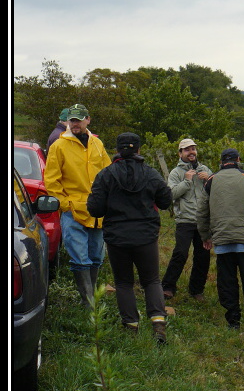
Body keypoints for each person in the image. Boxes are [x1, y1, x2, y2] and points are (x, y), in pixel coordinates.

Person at [87, 132, 172, 344]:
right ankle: (158, 324)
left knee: (124, 283)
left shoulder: (105, 175)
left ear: (116, 150)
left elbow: (95, 209)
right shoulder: (151, 174)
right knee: (151, 280)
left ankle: (130, 326)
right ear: (139, 150)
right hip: (145, 237)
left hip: (117, 239)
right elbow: (165, 201)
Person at [44, 103, 112, 307]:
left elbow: (108, 173)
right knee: (79, 259)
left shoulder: (97, 144)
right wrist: (66, 205)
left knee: (96, 257)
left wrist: (107, 200)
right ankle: (88, 301)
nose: (75, 124)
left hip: (97, 211)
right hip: (73, 212)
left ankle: (90, 301)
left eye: (79, 120)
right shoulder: (59, 146)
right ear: (68, 121)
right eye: (72, 120)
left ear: (87, 120)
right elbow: (52, 181)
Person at [197, 148, 244, 330]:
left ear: (221, 162)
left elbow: (201, 212)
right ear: (238, 160)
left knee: (227, 283)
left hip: (223, 242)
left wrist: (205, 236)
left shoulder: (211, 180)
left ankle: (233, 322)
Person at [161, 138, 212, 301]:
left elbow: (217, 191)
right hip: (185, 221)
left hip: (203, 221)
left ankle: (197, 290)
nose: (191, 152)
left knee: (203, 256)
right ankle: (168, 287)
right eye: (187, 149)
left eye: (193, 149)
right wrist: (187, 181)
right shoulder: (176, 173)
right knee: (180, 253)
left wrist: (210, 180)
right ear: (180, 153)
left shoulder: (205, 170)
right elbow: (171, 195)